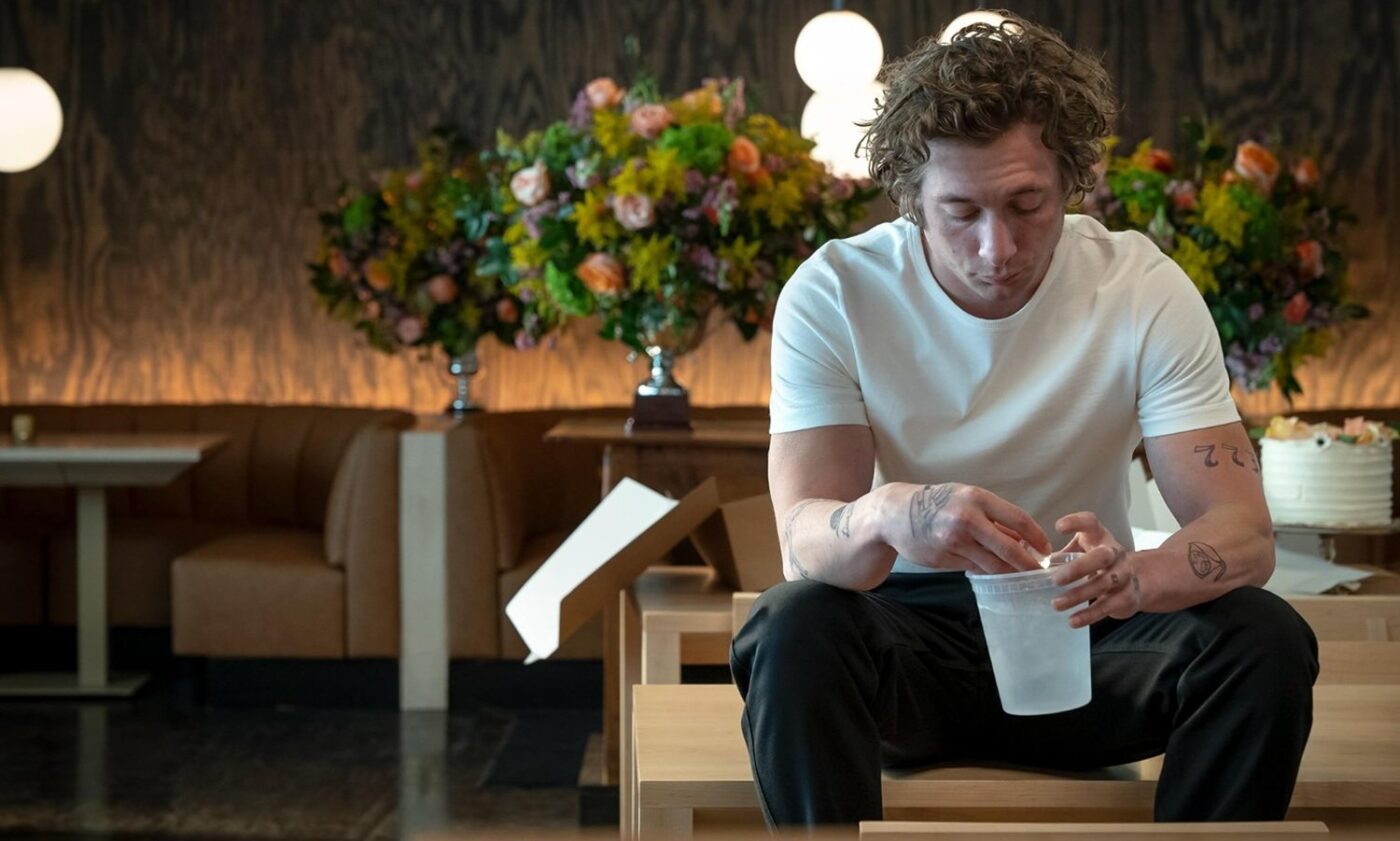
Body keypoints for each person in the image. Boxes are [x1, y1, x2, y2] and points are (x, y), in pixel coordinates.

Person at [731, 11, 1318, 827]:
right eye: (960, 211)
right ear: (910, 198)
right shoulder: (836, 292)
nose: (996, 248)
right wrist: (893, 512)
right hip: (904, 649)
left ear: (1071, 181)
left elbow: (1245, 534)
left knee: (1265, 637)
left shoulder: (1140, 287)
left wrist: (1135, 578)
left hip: (1088, 631)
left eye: (1026, 204)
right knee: (790, 626)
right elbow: (802, 542)